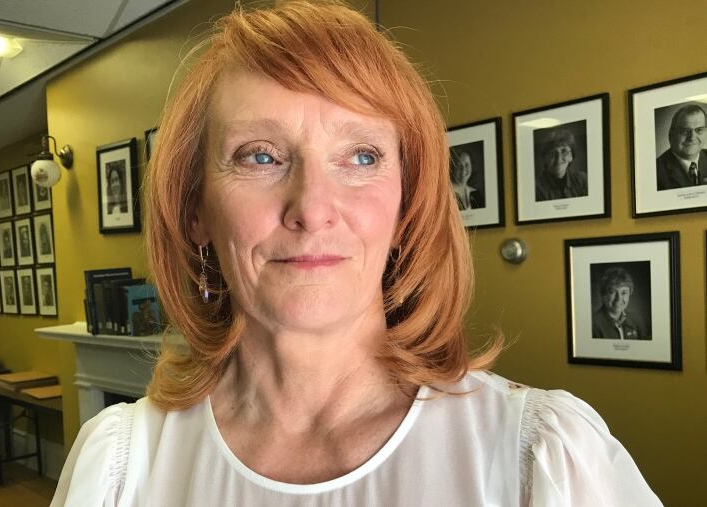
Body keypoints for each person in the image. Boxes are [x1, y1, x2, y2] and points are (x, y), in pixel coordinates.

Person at [52, 3, 662, 506]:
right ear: (195, 211)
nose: (312, 208)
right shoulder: (121, 467)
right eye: (260, 155)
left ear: (407, 204)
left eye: (362, 156)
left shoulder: (539, 458)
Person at [656, 103, 707, 190]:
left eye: (699, 130)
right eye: (685, 131)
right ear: (671, 134)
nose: (692, 137)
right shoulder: (656, 171)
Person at [592, 266, 649, 340]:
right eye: (612, 292)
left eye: (624, 292)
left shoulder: (637, 320)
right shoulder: (593, 325)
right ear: (603, 295)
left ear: (629, 294)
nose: (618, 299)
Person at [534, 128, 588, 201]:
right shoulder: (536, 188)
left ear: (571, 156)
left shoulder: (583, 180)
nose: (558, 159)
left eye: (564, 151)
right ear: (544, 158)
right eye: (552, 153)